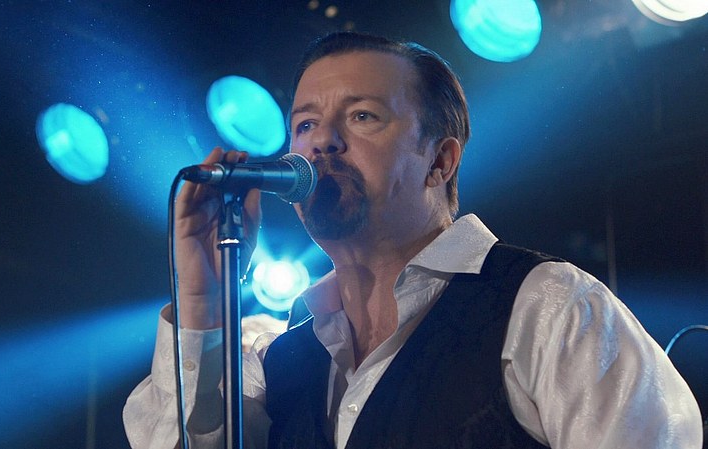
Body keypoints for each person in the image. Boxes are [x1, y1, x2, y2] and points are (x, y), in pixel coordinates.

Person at [123, 31, 703, 448]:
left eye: (362, 116)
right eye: (305, 124)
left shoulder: (546, 306)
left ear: (440, 161)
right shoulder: (280, 362)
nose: (321, 142)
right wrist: (203, 300)